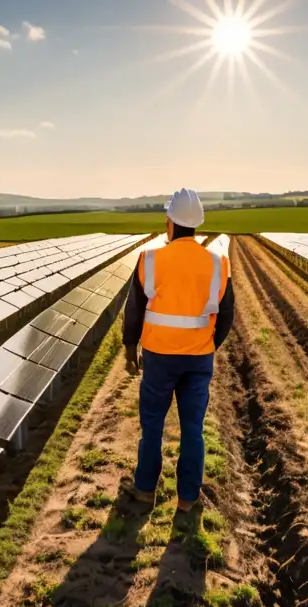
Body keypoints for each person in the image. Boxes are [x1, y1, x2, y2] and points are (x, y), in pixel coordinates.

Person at [122, 188, 235, 511]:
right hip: (199, 358)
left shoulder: (150, 259)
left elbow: (134, 308)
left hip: (159, 357)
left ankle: (145, 489)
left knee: (153, 424)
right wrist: (210, 345)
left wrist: (130, 348)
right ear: (196, 224)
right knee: (192, 428)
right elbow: (226, 315)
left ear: (170, 223)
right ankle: (187, 498)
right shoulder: (218, 264)